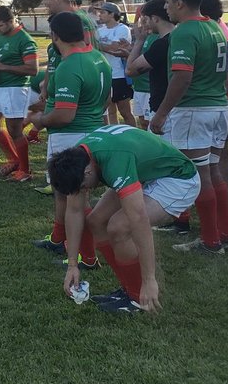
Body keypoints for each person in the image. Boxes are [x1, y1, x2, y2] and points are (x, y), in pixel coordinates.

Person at [50, 124, 201, 314]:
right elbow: (74, 211)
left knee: (118, 227)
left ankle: (139, 297)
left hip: (178, 179)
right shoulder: (78, 159)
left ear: (87, 172)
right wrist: (72, 265)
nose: (84, 191)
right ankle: (129, 288)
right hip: (146, 172)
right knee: (96, 221)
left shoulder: (114, 161)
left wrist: (149, 279)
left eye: (83, 187)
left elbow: (139, 220)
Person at [148, 0, 228, 256]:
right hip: (218, 106)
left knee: (200, 174)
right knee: (214, 170)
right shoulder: (213, 26)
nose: (166, 7)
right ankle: (225, 234)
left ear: (180, 3)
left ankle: (210, 241)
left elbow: (182, 76)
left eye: (168, 1)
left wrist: (161, 114)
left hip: (195, 110)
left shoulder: (185, 31)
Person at [25, 12, 110, 267]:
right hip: (91, 131)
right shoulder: (98, 58)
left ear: (55, 36)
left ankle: (87, 257)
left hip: (72, 136)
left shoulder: (70, 65)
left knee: (75, 199)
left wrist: (39, 120)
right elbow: (106, 100)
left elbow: (64, 114)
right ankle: (59, 240)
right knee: (66, 194)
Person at [126, 0, 189, 235]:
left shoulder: (163, 43)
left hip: (166, 109)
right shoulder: (179, 38)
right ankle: (181, 216)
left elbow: (130, 69)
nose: (142, 23)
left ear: (154, 19)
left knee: (170, 162)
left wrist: (139, 40)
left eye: (144, 18)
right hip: (178, 108)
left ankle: (179, 217)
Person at [32, 0, 98, 193]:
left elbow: (84, 52)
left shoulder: (78, 23)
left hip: (74, 114)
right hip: (69, 87)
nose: (45, 3)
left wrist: (40, 120)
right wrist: (46, 86)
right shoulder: (64, 30)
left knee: (70, 192)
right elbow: (55, 60)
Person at [200, 0, 228, 251]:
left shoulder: (216, 35)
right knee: (218, 154)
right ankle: (219, 201)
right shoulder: (219, 31)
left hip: (218, 99)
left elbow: (225, 79)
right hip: (223, 99)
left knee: (212, 160)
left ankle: (216, 209)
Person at [0, 6, 37, 182]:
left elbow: (33, 69)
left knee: (15, 130)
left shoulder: (25, 40)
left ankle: (25, 170)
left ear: (11, 21)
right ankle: (14, 160)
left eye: (0, 26)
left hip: (15, 88)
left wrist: (3, 66)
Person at [95, 3, 135, 126]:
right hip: (104, 74)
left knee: (125, 112)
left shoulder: (122, 29)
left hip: (118, 75)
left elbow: (115, 49)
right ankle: (115, 135)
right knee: (110, 110)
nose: (99, 15)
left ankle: (133, 136)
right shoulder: (99, 30)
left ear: (112, 14)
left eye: (103, 12)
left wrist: (96, 44)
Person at [127, 9, 160, 129]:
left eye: (146, 20)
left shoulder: (157, 39)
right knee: (142, 121)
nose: (144, 23)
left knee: (150, 123)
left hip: (148, 89)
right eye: (142, 20)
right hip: (139, 87)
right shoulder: (145, 36)